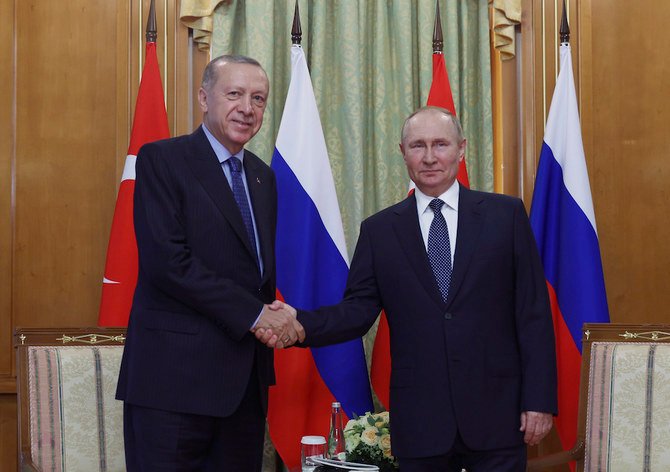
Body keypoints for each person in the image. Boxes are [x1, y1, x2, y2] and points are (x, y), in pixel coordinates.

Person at [259, 106, 557, 471]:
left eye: (440, 144)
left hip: (497, 416)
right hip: (421, 422)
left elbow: (533, 315)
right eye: (418, 146)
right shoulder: (380, 231)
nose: (430, 157)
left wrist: (539, 400)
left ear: (461, 149)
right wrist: (299, 324)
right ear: (402, 152)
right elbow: (356, 312)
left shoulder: (505, 216)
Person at [116, 55, 303, 471]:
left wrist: (273, 317)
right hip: (173, 384)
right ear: (204, 97)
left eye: (258, 98)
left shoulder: (262, 177)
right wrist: (257, 316)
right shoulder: (163, 160)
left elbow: (254, 272)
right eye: (233, 94)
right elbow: (169, 263)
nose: (247, 108)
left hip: (243, 386)